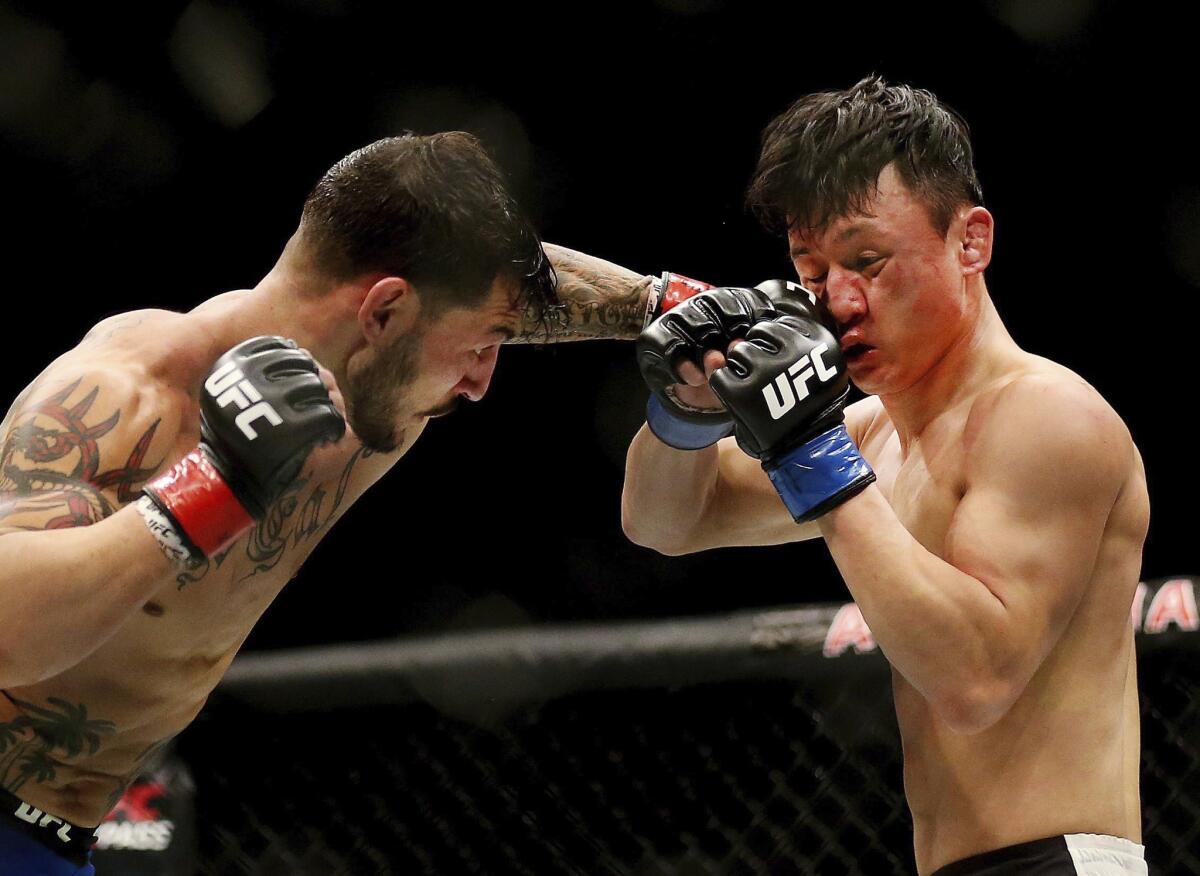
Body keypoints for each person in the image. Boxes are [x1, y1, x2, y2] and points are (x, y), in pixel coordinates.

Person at [0, 130, 662, 875]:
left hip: (57, 838)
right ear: (382, 313)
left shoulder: (380, 389)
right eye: (481, 345)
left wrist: (665, 305)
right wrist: (209, 489)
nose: (481, 383)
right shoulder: (126, 399)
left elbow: (516, 292)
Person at [622, 76, 1151, 875]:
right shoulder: (872, 435)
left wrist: (809, 449)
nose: (838, 301)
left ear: (969, 242)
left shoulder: (1047, 417)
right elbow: (666, 522)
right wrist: (686, 408)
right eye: (811, 270)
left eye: (868, 261)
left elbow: (974, 678)